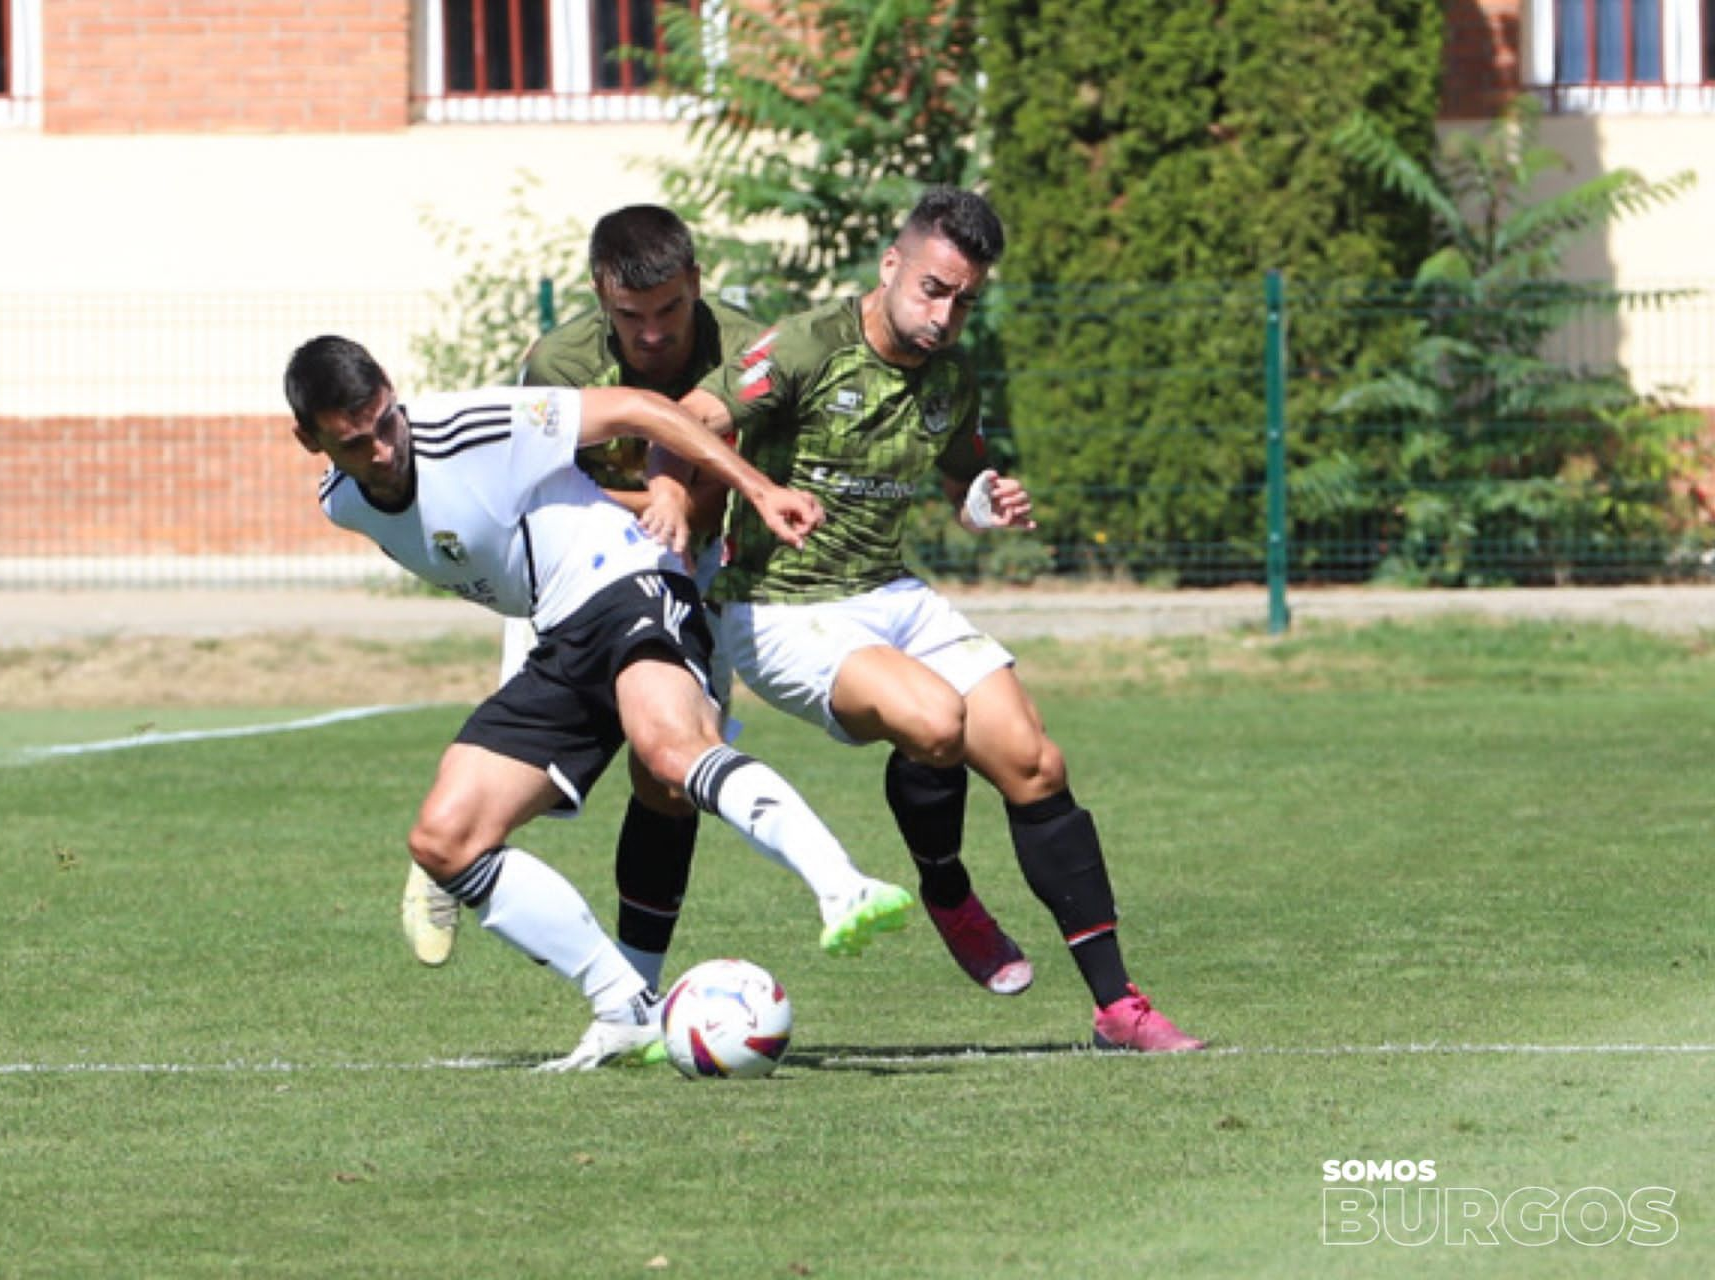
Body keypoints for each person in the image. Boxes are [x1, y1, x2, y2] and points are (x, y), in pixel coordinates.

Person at [284, 334, 913, 1070]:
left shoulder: (468, 427)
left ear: (395, 394)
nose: (385, 450)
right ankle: (627, 1007)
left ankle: (842, 886)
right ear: (311, 440)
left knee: (670, 753)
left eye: (387, 422)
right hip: (559, 635)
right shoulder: (342, 502)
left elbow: (642, 409)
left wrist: (758, 490)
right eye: (356, 442)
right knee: (444, 840)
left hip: (627, 580)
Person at [672, 187, 1205, 1051]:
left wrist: (986, 504)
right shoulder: (808, 345)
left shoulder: (952, 381)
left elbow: (965, 486)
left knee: (1035, 762)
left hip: (886, 591)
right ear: (892, 266)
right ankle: (948, 888)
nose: (944, 313)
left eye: (963, 299)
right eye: (931, 288)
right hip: (777, 607)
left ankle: (1119, 1008)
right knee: (935, 719)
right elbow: (691, 419)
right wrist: (756, 490)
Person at [400, 204, 767, 990]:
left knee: (670, 775)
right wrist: (657, 502)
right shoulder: (560, 365)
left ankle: (641, 986)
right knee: (516, 779)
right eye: (631, 316)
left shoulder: (743, 351)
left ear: (696, 283)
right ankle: (447, 857)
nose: (655, 333)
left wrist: (676, 503)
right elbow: (542, 497)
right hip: (567, 572)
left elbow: (706, 513)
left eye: (671, 308)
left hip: (689, 566)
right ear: (601, 296)